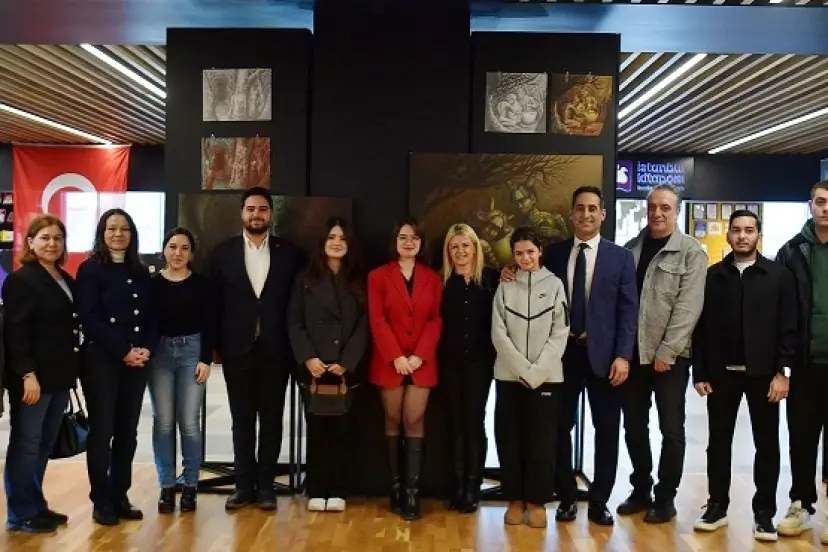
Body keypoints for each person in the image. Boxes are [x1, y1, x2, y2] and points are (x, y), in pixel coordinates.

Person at [691, 209, 796, 542]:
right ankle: (716, 506)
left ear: (758, 235)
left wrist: (783, 373)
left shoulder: (778, 276)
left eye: (749, 230)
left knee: (767, 445)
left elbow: (788, 327)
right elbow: (701, 329)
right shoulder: (713, 276)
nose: (742, 236)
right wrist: (700, 371)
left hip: (764, 376)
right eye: (736, 230)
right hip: (722, 375)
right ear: (728, 235)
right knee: (718, 443)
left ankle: (764, 513)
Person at [545, 187, 638, 526]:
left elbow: (628, 311)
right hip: (562, 355)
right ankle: (567, 497)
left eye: (592, 209)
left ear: (603, 214)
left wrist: (623, 356)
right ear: (572, 214)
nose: (586, 214)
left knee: (607, 430)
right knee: (559, 427)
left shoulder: (620, 257)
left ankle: (599, 501)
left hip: (605, 357)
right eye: (580, 208)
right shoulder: (553, 254)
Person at [618, 184, 707, 524]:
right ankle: (640, 489)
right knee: (634, 426)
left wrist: (667, 351)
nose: (657, 213)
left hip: (670, 359)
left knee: (671, 430)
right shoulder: (630, 250)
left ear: (677, 211)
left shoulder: (691, 252)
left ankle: (666, 497)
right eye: (652, 206)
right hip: (633, 354)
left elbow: (688, 307)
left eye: (665, 208)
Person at [210, 187, 302, 511]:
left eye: (262, 209)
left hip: (277, 352)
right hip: (237, 351)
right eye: (251, 209)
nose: (256, 215)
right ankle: (242, 487)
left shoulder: (290, 254)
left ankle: (265, 488)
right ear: (242, 213)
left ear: (271, 214)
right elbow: (215, 304)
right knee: (242, 421)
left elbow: (297, 304)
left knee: (272, 421)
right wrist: (215, 347)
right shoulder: (223, 254)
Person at [76, 208, 157, 526]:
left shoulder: (141, 270)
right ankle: (101, 500)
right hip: (102, 362)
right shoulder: (89, 270)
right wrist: (123, 350)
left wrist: (146, 348)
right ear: (102, 233)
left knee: (127, 432)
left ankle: (120, 494)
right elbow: (90, 318)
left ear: (132, 234)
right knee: (102, 431)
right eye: (111, 229)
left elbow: (152, 315)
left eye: (124, 229)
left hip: (137, 362)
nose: (118, 234)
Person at [2, 214, 82, 533]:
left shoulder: (64, 279)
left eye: (58, 238)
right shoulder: (21, 280)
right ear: (31, 242)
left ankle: (36, 505)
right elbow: (16, 333)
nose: (52, 244)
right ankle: (20, 513)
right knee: (26, 445)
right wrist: (27, 374)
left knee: (44, 444)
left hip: (59, 377)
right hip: (32, 380)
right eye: (45, 237)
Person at [288, 217, 368, 513]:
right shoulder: (304, 278)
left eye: (342, 238)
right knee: (317, 430)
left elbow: (365, 323)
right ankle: (317, 488)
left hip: (345, 368)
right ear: (322, 242)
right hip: (314, 369)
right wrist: (309, 357)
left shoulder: (358, 278)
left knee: (343, 431)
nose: (337, 243)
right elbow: (294, 321)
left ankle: (338, 489)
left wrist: (347, 361)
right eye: (332, 237)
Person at [491, 226, 569, 529]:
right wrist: (521, 369)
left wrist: (536, 372)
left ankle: (537, 502)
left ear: (540, 252)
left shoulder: (555, 285)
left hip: (546, 379)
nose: (525, 258)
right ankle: (514, 499)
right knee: (509, 440)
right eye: (519, 253)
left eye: (530, 252)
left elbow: (560, 332)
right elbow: (498, 332)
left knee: (542, 443)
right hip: (508, 378)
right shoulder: (505, 286)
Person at [367, 217, 442, 521]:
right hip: (390, 361)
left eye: (414, 238)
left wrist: (420, 355)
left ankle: (412, 492)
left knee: (414, 419)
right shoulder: (377, 276)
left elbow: (435, 319)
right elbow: (377, 319)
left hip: (422, 362)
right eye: (403, 237)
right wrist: (395, 356)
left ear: (421, 243)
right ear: (395, 242)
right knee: (392, 419)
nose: (409, 243)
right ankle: (395, 487)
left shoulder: (432, 278)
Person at [775, 180, 828, 542]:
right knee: (802, 438)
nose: (826, 208)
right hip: (805, 365)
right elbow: (779, 312)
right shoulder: (792, 251)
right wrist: (782, 366)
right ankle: (801, 504)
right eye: (821, 201)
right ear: (811, 205)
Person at [149, 227, 214, 514]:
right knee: (163, 421)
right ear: (164, 250)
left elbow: (211, 323)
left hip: (192, 353)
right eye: (172, 247)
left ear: (191, 254)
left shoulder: (202, 285)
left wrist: (205, 359)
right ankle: (166, 486)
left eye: (184, 248)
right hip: (160, 355)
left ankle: (190, 485)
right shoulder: (152, 284)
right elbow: (147, 323)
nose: (178, 253)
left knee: (189, 422)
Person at [438, 223, 498, 514]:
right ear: (448, 251)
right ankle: (457, 483)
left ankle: (473, 485)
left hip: (479, 363)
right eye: (455, 246)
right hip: (449, 363)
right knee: (454, 423)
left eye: (466, 245)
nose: (461, 251)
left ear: (475, 248)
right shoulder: (441, 283)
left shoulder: (491, 280)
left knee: (474, 422)